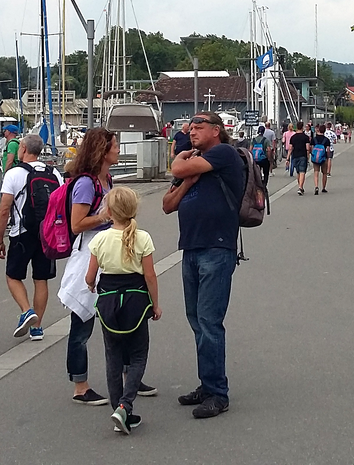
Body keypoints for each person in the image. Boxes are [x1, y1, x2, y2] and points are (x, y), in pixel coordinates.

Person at [62, 127, 155, 404]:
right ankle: (80, 385)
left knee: (122, 315)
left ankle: (129, 379)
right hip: (91, 254)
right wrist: (107, 217)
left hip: (110, 251)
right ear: (103, 150)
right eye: (115, 145)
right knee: (82, 323)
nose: (118, 149)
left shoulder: (107, 179)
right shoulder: (87, 184)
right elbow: (76, 224)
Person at [163, 111, 244, 420]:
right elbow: (167, 205)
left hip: (216, 247)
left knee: (210, 320)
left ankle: (218, 393)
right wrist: (187, 182)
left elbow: (177, 165)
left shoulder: (223, 153)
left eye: (199, 127)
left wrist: (182, 164)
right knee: (196, 318)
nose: (193, 132)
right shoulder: (194, 163)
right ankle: (207, 384)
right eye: (191, 128)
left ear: (216, 131)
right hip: (192, 248)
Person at [87, 186, 160, 435]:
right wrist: (155, 304)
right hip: (136, 300)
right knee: (138, 354)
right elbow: (150, 275)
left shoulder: (99, 239)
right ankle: (125, 405)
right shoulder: (143, 238)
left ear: (108, 211)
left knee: (113, 356)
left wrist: (91, 284)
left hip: (108, 300)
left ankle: (118, 407)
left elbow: (90, 276)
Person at [0, 133, 61, 343]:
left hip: (22, 233)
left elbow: (4, 209)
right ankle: (38, 328)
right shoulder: (54, 173)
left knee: (13, 276)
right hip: (47, 233)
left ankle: (26, 311)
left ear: (22, 148)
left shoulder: (14, 174)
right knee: (41, 279)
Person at [288, 122, 310, 195]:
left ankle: (300, 186)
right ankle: (300, 187)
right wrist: (308, 156)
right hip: (303, 155)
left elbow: (290, 148)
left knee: (298, 172)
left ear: (296, 127)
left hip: (295, 156)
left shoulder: (293, 137)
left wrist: (288, 158)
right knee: (302, 171)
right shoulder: (305, 137)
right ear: (302, 127)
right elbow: (307, 148)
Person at [311, 123, 331, 194]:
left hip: (315, 158)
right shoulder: (326, 140)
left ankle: (316, 186)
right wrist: (328, 157)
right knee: (324, 173)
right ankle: (323, 187)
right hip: (323, 158)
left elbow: (312, 148)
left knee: (316, 172)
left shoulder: (314, 139)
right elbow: (328, 150)